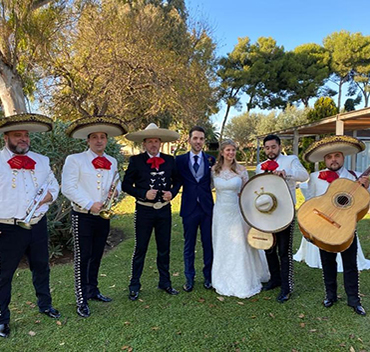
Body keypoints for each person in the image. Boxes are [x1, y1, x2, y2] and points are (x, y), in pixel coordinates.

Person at [0, 114, 61, 338]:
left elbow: (54, 185)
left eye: (26, 135)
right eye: (18, 135)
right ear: (6, 137)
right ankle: (1, 319)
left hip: (37, 224)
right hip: (8, 228)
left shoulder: (42, 160)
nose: (24, 139)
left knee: (41, 266)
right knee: (3, 275)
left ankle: (45, 305)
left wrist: (48, 197)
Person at [61, 116, 126, 318]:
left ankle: (93, 290)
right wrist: (90, 203)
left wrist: (116, 192)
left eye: (103, 137)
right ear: (88, 141)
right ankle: (81, 298)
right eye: (95, 137)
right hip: (83, 215)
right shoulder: (75, 160)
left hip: (103, 216)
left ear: (107, 140)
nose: (99, 141)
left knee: (97, 254)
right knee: (83, 256)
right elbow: (68, 188)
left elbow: (118, 183)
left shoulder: (112, 161)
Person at [300, 135, 368, 315]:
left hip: (346, 229)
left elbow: (363, 203)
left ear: (343, 157)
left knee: (350, 265)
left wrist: (365, 187)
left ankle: (354, 299)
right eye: (329, 157)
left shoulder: (354, 177)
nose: (333, 160)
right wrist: (310, 228)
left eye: (337, 156)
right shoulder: (315, 177)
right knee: (327, 264)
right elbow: (309, 204)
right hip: (324, 228)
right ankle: (330, 295)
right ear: (324, 159)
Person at [122, 123, 181, 301]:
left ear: (160, 143)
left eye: (156, 141)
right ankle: (134, 285)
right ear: (144, 144)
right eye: (150, 141)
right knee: (141, 248)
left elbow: (177, 180)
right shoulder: (136, 161)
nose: (153, 145)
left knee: (164, 248)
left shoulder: (170, 160)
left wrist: (173, 192)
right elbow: (125, 185)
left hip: (164, 211)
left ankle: (165, 282)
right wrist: (142, 193)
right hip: (144, 211)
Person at [211, 140, 270, 298]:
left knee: (239, 244)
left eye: (233, 150)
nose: (231, 153)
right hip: (220, 212)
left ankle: (243, 278)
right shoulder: (214, 170)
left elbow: (247, 192)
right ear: (222, 152)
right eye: (228, 150)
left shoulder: (241, 170)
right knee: (222, 244)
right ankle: (220, 277)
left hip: (236, 211)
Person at [256, 134, 309, 303]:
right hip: (267, 213)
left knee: (284, 250)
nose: (270, 150)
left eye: (273, 147)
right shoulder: (259, 167)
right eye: (267, 147)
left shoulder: (290, 160)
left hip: (286, 212)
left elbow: (304, 175)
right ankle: (275, 279)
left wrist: (286, 173)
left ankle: (287, 287)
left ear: (279, 146)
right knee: (268, 247)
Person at [175, 126, 215, 292]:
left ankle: (208, 277)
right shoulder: (180, 160)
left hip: (207, 208)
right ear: (189, 140)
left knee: (208, 244)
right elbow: (175, 181)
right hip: (189, 208)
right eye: (195, 138)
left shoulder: (211, 160)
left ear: (204, 141)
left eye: (201, 139)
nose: (198, 141)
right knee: (189, 245)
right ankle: (189, 278)